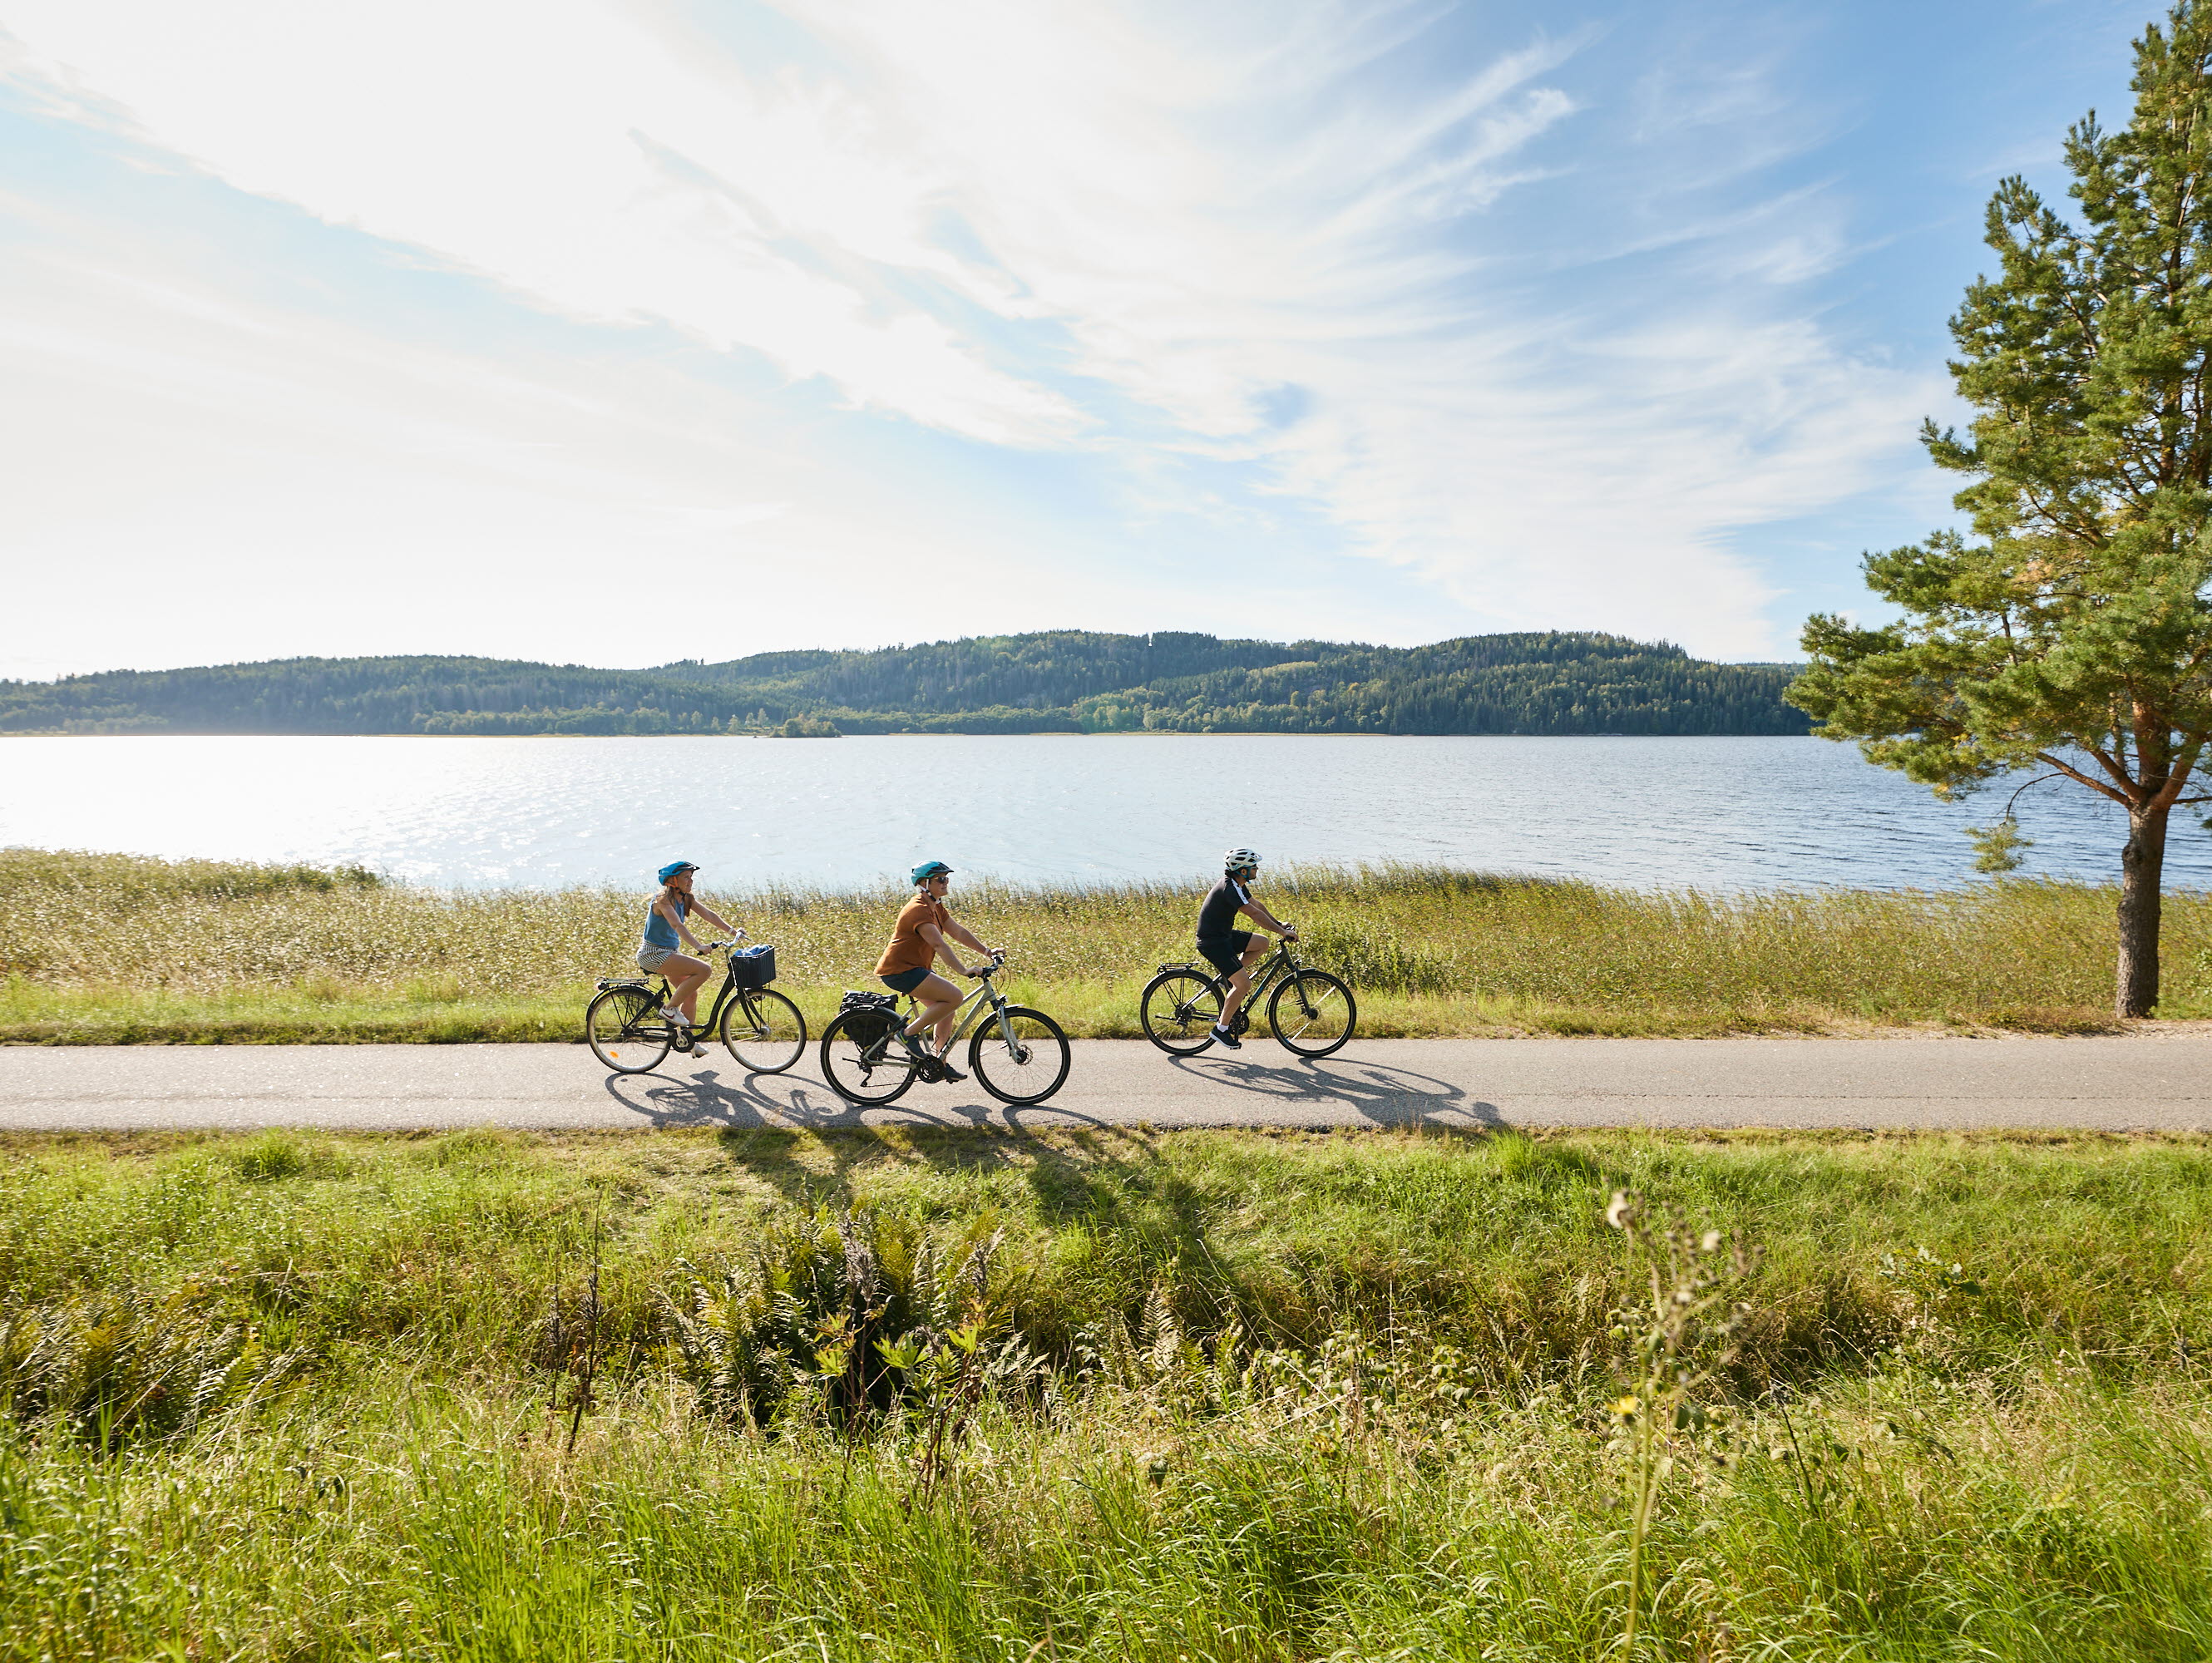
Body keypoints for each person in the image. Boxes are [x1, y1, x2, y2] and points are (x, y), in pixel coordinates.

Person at [874, 860, 999, 1083]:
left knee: (946, 1009)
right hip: (899, 971)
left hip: (914, 970)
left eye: (946, 878)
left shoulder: (936, 906)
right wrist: (963, 970)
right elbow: (939, 944)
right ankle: (907, 1034)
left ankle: (938, 1062)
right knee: (955, 996)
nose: (946, 882)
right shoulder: (918, 910)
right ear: (924, 884)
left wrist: (987, 952)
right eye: (940, 879)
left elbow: (958, 932)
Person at [1196, 847, 1296, 1049]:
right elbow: (1253, 914)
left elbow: (1256, 904)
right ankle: (1221, 1030)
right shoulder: (1230, 889)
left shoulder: (1238, 884)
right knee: (1244, 985)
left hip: (1223, 936)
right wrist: (1281, 932)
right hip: (1213, 942)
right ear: (1243, 870)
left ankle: (1229, 980)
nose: (1257, 869)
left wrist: (1279, 924)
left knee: (1262, 943)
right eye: (1253, 866)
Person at [636, 860, 735, 1058]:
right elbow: (677, 926)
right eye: (686, 878)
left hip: (669, 953)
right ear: (673, 881)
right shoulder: (662, 901)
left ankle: (688, 1041)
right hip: (653, 954)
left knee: (691, 994)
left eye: (691, 878)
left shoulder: (686, 898)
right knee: (704, 970)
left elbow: (708, 914)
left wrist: (732, 930)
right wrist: (697, 945)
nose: (690, 881)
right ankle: (669, 1009)